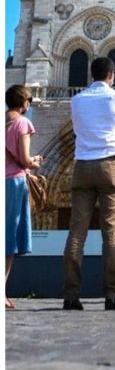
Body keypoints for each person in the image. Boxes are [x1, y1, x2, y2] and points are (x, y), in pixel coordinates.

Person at [62, 57, 115, 311]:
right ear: (112, 75)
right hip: (110, 167)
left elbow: (78, 130)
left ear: (91, 75)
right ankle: (112, 295)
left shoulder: (77, 100)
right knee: (111, 234)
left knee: (76, 234)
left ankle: (71, 296)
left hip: (82, 166)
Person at [5, 85, 43, 310]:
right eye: (29, 100)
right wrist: (36, 161)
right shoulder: (22, 123)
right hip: (13, 182)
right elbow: (26, 159)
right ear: (24, 102)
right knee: (8, 240)